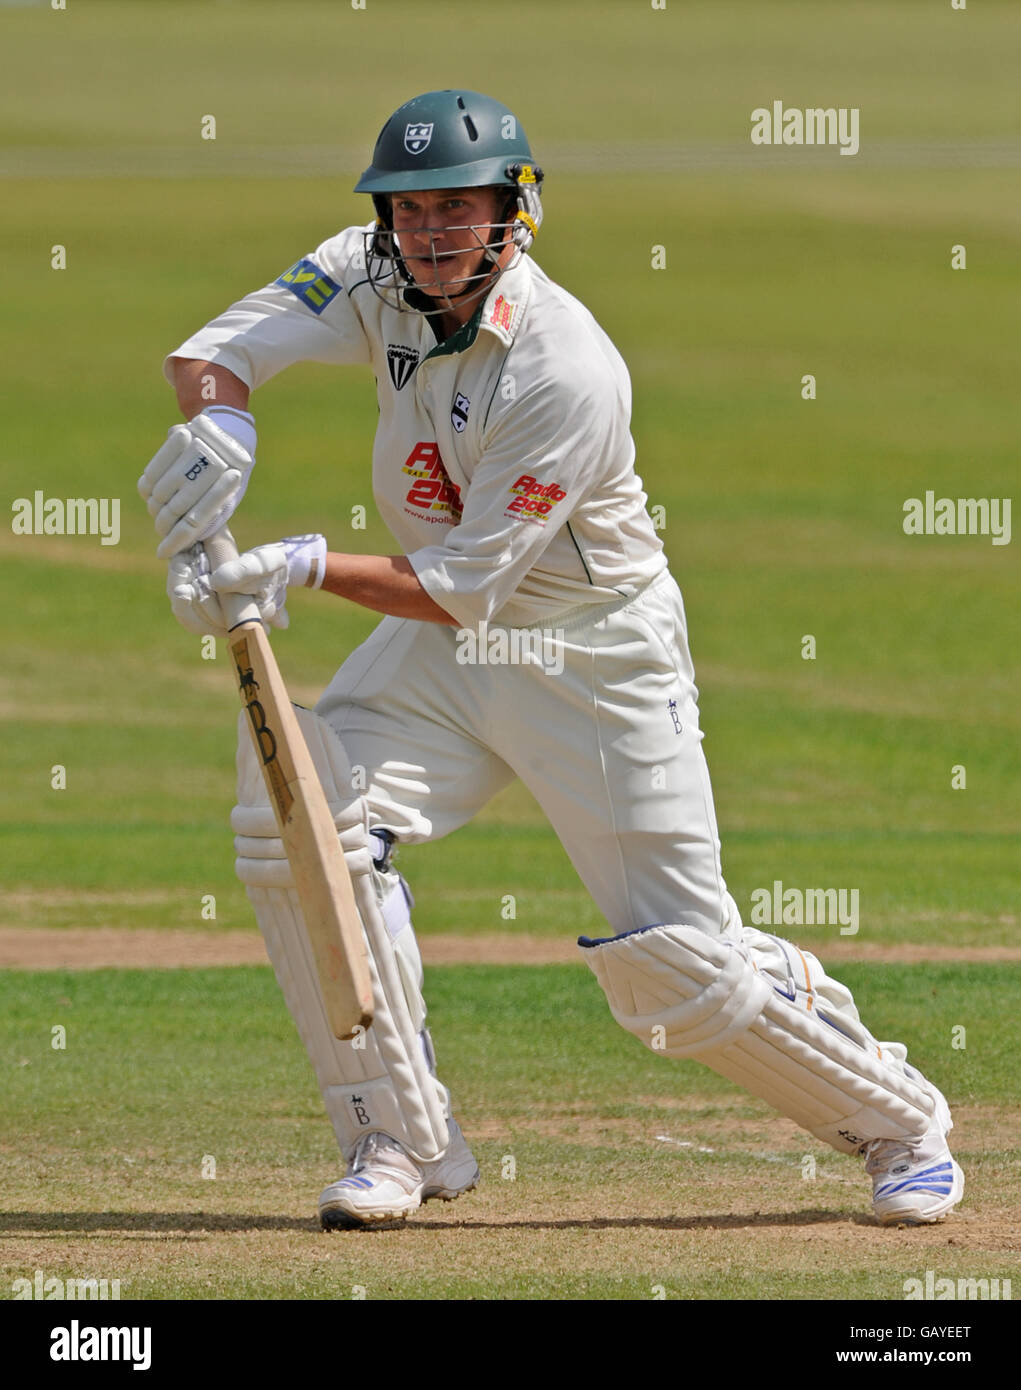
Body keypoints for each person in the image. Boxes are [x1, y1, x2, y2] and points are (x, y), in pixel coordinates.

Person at [139, 90, 964, 1231]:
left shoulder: (566, 366)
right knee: (302, 828)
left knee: (677, 968)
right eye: (410, 208)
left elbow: (461, 584)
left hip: (591, 651)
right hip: (449, 652)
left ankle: (899, 1123)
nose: (430, 233)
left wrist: (297, 569)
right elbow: (210, 355)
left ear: (513, 212)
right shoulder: (368, 273)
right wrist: (219, 435)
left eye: (459, 209)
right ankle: (398, 1139)